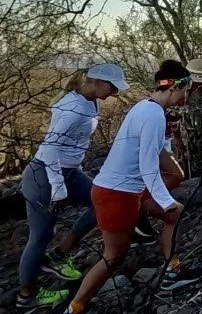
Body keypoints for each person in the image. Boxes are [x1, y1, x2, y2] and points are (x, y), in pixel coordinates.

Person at [62, 60, 202, 314]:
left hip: (125, 189)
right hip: (117, 193)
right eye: (187, 89)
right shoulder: (153, 114)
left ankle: (173, 271)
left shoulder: (145, 108)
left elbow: (152, 152)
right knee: (114, 257)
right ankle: (75, 307)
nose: (186, 95)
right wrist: (164, 199)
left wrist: (173, 173)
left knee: (175, 213)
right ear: (174, 87)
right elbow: (147, 163)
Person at [17, 64, 128, 312]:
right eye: (112, 87)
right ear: (98, 82)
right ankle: (27, 294)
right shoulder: (72, 109)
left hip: (69, 171)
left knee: (102, 202)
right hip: (44, 174)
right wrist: (57, 187)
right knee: (40, 236)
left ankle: (60, 254)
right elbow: (50, 149)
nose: (115, 93)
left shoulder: (89, 102)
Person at [135, 59, 202, 244]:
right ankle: (141, 207)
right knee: (172, 175)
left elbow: (175, 119)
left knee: (169, 175)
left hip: (166, 139)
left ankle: (144, 209)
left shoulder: (186, 93)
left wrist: (177, 139)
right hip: (157, 140)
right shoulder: (176, 92)